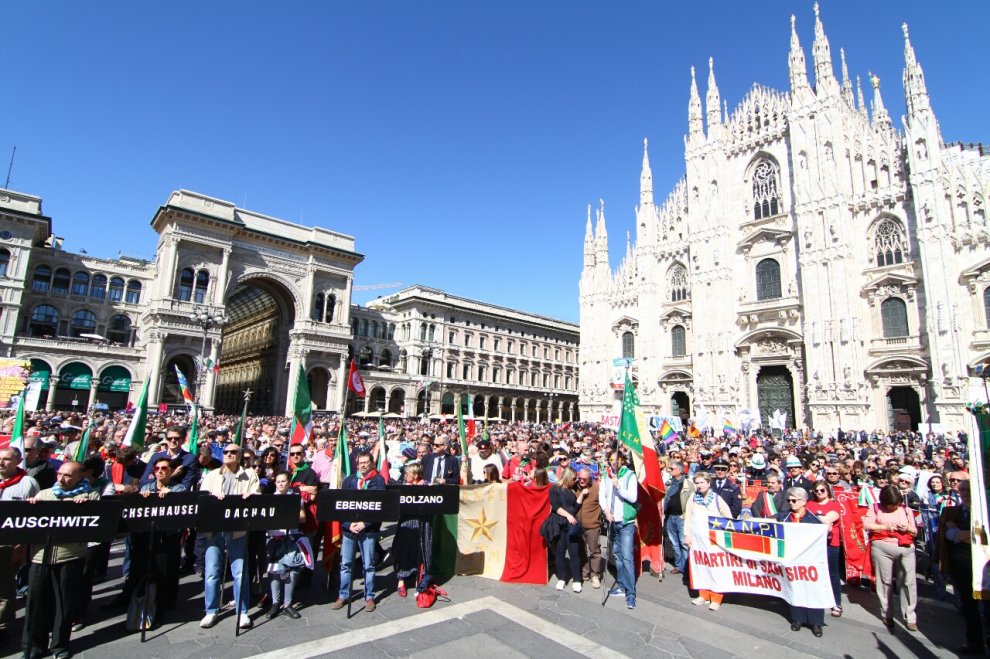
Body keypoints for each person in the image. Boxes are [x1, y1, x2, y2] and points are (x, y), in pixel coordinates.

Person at [22, 461, 101, 659]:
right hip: (41, 557)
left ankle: (59, 645)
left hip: (70, 556)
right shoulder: (45, 494)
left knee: (64, 604)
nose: (62, 478)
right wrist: (33, 507)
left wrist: (86, 508)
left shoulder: (90, 495)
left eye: (67, 475)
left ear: (79, 477)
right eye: (60, 474)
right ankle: (33, 646)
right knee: (36, 604)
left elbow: (98, 525)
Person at [199, 443, 261, 630]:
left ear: (240, 455)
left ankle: (242, 612)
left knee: (240, 571)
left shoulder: (250, 475)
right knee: (212, 572)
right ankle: (211, 611)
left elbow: (257, 497)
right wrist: (212, 495)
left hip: (237, 529)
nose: (228, 455)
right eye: (226, 452)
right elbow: (202, 499)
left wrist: (251, 495)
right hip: (214, 529)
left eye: (233, 452)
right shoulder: (211, 475)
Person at [129, 457, 188, 624]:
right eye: (157, 468)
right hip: (148, 536)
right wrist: (142, 497)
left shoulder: (179, 488)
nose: (160, 471)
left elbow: (183, 510)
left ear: (171, 471)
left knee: (166, 572)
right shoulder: (146, 486)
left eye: (164, 468)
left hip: (168, 538)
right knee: (144, 570)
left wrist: (172, 497)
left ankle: (164, 606)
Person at [331, 452, 385, 613]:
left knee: (368, 565)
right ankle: (343, 594)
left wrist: (364, 523)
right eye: (360, 463)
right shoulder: (350, 480)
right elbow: (342, 505)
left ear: (371, 463)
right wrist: (349, 524)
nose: (362, 465)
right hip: (349, 529)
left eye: (365, 462)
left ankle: (369, 596)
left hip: (368, 530)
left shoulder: (378, 481)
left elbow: (380, 505)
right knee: (346, 564)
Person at [864, 484, 918, 631]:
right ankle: (887, 613)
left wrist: (906, 528)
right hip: (881, 547)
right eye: (890, 505)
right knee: (884, 582)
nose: (893, 507)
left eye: (896, 504)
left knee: (908, 582)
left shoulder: (906, 510)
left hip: (904, 548)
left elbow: (915, 531)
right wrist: (886, 527)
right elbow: (867, 525)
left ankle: (910, 616)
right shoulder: (875, 508)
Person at [938, 479, 983, 654]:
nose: (965, 493)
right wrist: (961, 535)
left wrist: (958, 533)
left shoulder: (983, 512)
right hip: (961, 565)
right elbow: (946, 535)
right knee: (968, 605)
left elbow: (983, 535)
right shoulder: (952, 513)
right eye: (962, 489)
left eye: (968, 489)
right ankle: (974, 641)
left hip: (983, 565)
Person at [0, 448, 40, 646]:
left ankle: (3, 626)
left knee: (4, 589)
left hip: (9, 545)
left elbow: (32, 519)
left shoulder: (28, 484)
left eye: (6, 459)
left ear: (18, 461)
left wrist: (22, 545)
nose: (1, 462)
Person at [776, 487, 824, 636]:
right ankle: (797, 618)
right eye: (789, 500)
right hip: (791, 559)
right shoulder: (784, 516)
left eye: (794, 500)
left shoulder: (814, 519)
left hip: (809, 561)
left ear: (803, 501)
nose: (791, 503)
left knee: (812, 589)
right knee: (794, 587)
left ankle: (815, 622)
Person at [684, 471, 731, 610]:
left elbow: (728, 517)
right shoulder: (693, 497)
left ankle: (716, 597)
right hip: (697, 539)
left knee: (715, 568)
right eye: (697, 483)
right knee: (701, 567)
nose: (699, 485)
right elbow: (688, 517)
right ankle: (703, 594)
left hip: (713, 541)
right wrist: (687, 535)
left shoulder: (717, 499)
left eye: (702, 482)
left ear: (709, 483)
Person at [599, 451, 639, 609]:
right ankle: (622, 585)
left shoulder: (629, 475)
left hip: (626, 522)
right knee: (617, 555)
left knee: (627, 557)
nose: (613, 463)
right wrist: (606, 510)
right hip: (612, 520)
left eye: (617, 460)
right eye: (611, 460)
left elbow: (633, 497)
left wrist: (618, 486)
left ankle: (631, 593)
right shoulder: (606, 475)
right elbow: (603, 495)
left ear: (622, 460)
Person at [266, 472, 305, 620]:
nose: (280, 484)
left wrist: (289, 513)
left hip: (290, 538)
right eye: (278, 481)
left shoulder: (295, 498)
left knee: (292, 572)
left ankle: (287, 604)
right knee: (274, 572)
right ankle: (275, 603)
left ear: (289, 483)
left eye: (283, 481)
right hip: (274, 537)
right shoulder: (272, 498)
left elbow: (303, 518)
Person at [392, 463, 433, 598]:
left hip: (423, 521)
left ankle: (421, 578)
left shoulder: (427, 486)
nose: (405, 476)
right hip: (407, 521)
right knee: (403, 549)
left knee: (423, 550)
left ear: (415, 475)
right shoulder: (403, 488)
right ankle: (401, 579)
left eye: (407, 474)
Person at [806, 481, 843, 617]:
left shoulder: (834, 504)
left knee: (832, 573)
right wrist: (822, 519)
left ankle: (836, 602)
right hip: (814, 544)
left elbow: (831, 517)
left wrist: (818, 518)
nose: (819, 493)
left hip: (830, 543)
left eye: (822, 490)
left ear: (827, 491)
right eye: (816, 491)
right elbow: (807, 518)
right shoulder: (810, 504)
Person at [548, 467, 583, 592]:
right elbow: (555, 506)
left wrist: (582, 496)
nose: (576, 480)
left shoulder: (572, 491)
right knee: (560, 553)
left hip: (571, 525)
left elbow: (574, 507)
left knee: (574, 552)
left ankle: (577, 579)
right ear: (567, 477)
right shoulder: (554, 488)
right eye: (574, 478)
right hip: (559, 524)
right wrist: (568, 515)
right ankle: (562, 578)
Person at [662, 460, 693, 575]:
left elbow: (692, 501)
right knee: (674, 542)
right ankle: (679, 565)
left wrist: (685, 515)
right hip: (670, 516)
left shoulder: (688, 484)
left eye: (672, 469)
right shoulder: (669, 483)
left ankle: (687, 567)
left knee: (683, 543)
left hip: (682, 517)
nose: (669, 470)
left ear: (679, 471)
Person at [575, 467, 603, 588]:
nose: (581, 480)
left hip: (592, 526)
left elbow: (604, 503)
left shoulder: (597, 488)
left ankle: (595, 575)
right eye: (579, 478)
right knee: (581, 550)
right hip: (578, 526)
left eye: (584, 479)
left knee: (594, 551)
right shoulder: (575, 487)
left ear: (590, 478)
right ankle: (585, 572)